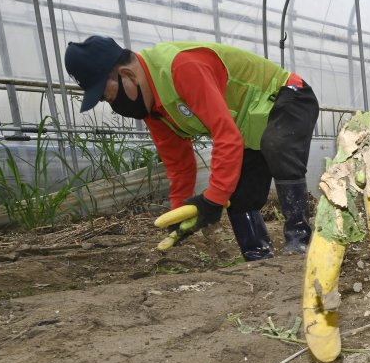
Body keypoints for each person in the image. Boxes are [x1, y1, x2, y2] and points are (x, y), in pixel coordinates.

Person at [64, 36, 319, 260]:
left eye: (107, 96)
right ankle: (259, 260)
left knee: (277, 146)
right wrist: (180, 213)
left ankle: (299, 243)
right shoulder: (153, 109)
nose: (112, 105)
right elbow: (179, 165)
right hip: (250, 125)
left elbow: (225, 135)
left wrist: (213, 200)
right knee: (239, 195)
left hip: (289, 94)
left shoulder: (181, 67)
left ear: (127, 75)